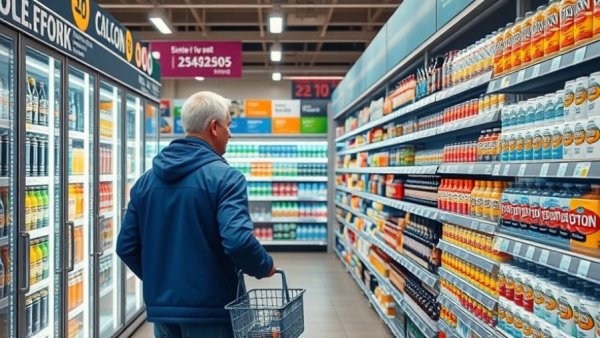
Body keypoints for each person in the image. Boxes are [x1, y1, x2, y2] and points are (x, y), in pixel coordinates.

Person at [116, 91, 276, 338]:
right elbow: (238, 240)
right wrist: (264, 266)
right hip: (213, 309)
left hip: (164, 312)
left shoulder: (145, 182)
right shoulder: (227, 178)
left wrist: (162, 280)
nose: (230, 134)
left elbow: (126, 246)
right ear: (214, 127)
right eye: (228, 126)